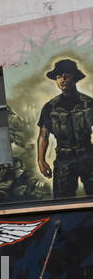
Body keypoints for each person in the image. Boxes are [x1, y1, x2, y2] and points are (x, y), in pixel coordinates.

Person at [37, 59, 93, 198]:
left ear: (74, 78)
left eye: (66, 75)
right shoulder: (50, 107)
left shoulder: (88, 103)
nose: (62, 80)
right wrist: (41, 161)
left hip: (88, 156)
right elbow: (43, 135)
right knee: (62, 200)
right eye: (58, 76)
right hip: (64, 159)